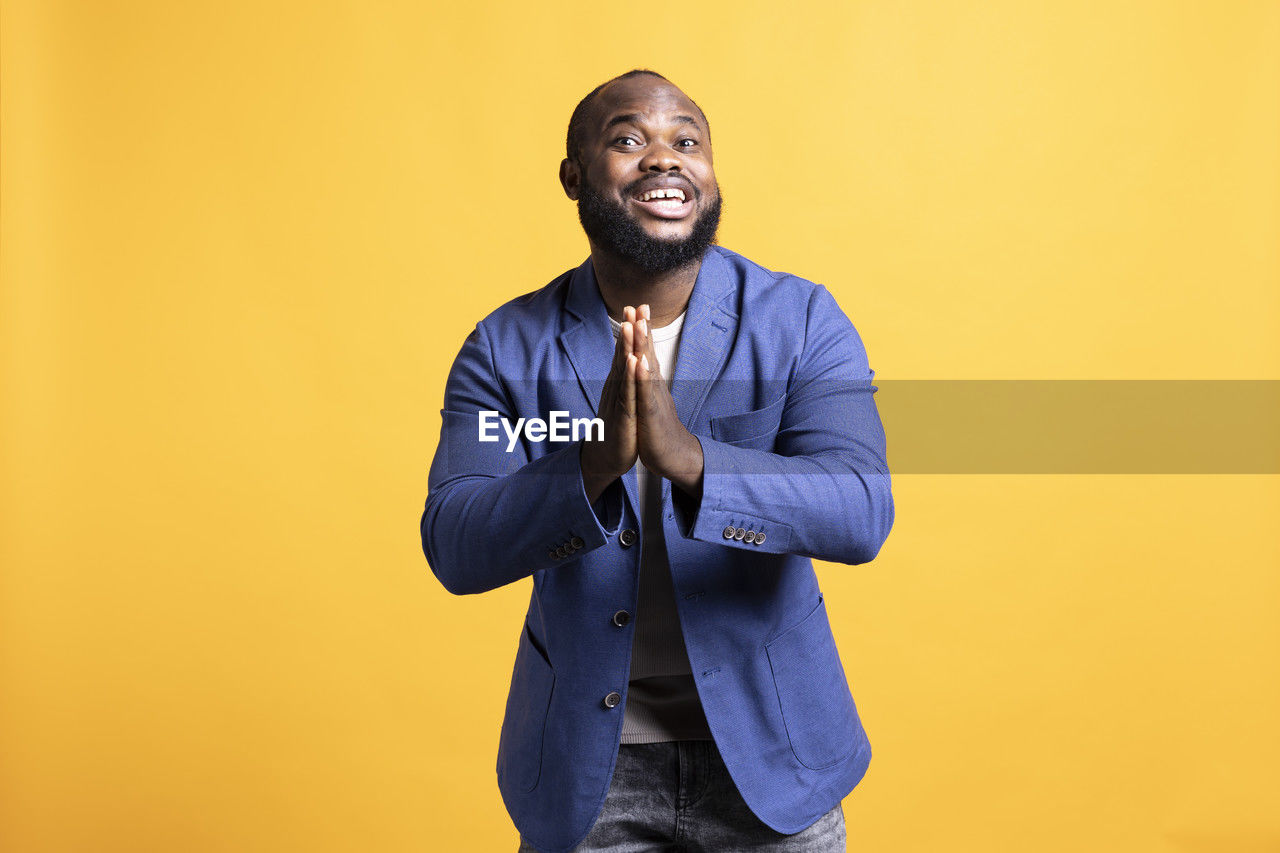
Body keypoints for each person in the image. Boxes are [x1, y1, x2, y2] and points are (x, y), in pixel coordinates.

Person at [420, 69, 894, 853]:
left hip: (777, 763)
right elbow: (457, 543)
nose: (664, 159)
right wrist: (591, 463)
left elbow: (859, 506)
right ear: (575, 176)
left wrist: (692, 458)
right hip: (584, 772)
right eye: (628, 139)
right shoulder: (503, 349)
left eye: (687, 141)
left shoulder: (802, 319)